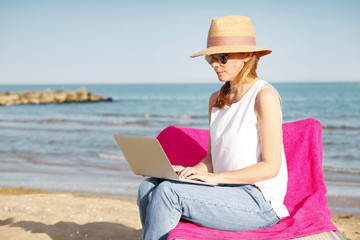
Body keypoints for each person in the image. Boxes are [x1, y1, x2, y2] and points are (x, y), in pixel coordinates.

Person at [137, 15, 290, 240]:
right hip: (224, 191)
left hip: (258, 200)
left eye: (222, 57)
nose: (215, 64)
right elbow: (212, 158)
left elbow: (270, 167)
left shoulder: (264, 96)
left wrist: (216, 178)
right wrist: (191, 172)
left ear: (247, 55)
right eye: (211, 59)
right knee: (149, 186)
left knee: (169, 193)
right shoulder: (216, 99)